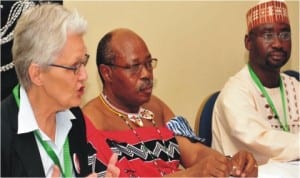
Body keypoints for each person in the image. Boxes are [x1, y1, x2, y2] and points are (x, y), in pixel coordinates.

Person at [83, 28, 258, 177]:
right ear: (107, 73)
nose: (146, 74)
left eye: (149, 64)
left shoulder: (156, 107)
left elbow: (195, 154)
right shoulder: (91, 121)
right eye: (134, 67)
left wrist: (230, 163)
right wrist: (188, 175)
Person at [1, 4, 119, 177]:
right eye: (74, 67)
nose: (84, 75)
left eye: (83, 63)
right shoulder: (3, 133)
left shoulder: (75, 118)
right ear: (37, 74)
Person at [211, 0, 299, 165]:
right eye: (267, 35)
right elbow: (261, 144)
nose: (278, 44)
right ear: (248, 43)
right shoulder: (234, 93)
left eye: (285, 35)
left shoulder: (294, 85)